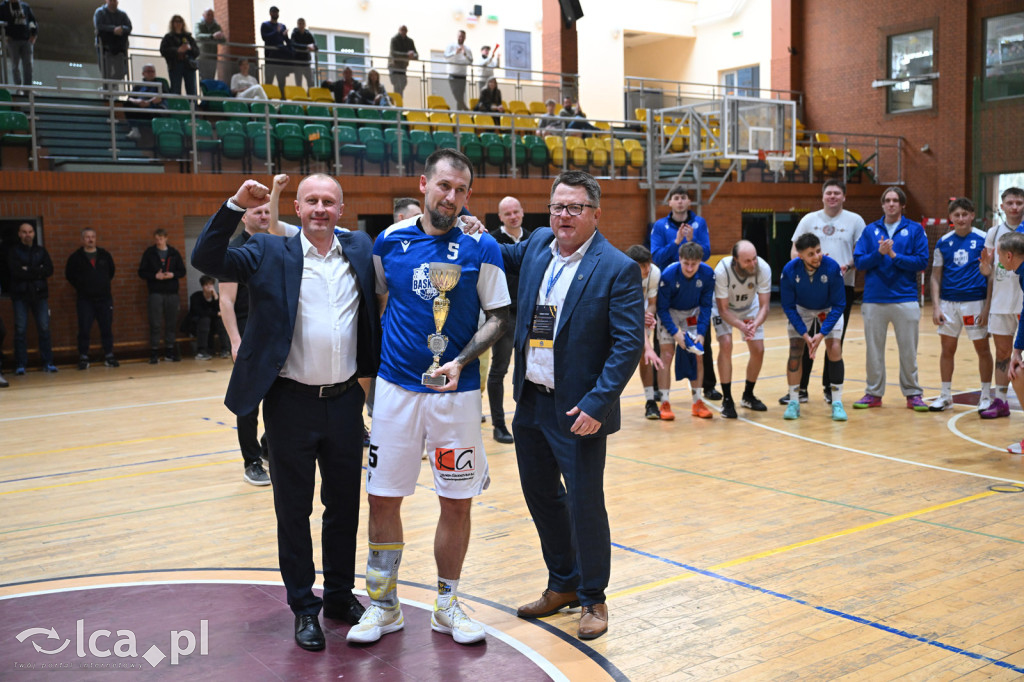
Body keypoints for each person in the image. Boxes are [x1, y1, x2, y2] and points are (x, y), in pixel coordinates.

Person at [192, 174, 380, 652]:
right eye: (312, 201)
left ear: (341, 209)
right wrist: (235, 205)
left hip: (343, 403)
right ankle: (303, 606)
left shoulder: (359, 248)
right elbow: (206, 259)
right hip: (289, 404)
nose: (320, 208)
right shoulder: (267, 251)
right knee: (292, 511)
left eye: (329, 202)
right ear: (296, 207)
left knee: (343, 509)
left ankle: (339, 596)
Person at [346, 149, 509, 646]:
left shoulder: (482, 247)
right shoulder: (389, 242)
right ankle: (385, 605)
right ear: (423, 184)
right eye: (444, 186)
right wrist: (371, 385)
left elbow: (500, 316)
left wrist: (460, 361)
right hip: (397, 392)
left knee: (455, 501)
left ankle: (447, 603)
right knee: (382, 497)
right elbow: (376, 308)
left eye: (461, 189)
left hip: (456, 398)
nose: (451, 197)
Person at [499, 171, 644, 641]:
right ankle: (561, 584)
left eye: (574, 208)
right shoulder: (539, 243)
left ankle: (593, 598)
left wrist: (597, 404)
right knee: (542, 496)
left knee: (584, 503)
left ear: (595, 214)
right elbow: (501, 252)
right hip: (532, 402)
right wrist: (461, 228)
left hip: (578, 411)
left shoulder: (615, 267)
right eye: (558, 206)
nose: (564, 215)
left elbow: (627, 345)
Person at [780, 179, 865, 406]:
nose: (833, 196)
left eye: (837, 193)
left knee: (833, 340)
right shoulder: (809, 219)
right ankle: (801, 389)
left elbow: (862, 253)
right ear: (822, 196)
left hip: (840, 285)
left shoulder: (855, 220)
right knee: (803, 338)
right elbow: (793, 251)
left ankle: (830, 389)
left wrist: (847, 265)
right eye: (829, 193)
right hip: (806, 287)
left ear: (844, 197)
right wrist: (806, 265)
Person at [852, 187, 930, 411]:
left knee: (908, 350)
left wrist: (894, 256)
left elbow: (922, 262)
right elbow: (860, 262)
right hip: (874, 299)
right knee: (874, 350)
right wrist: (879, 254)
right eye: (887, 200)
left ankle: (913, 393)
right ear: (883, 204)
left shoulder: (915, 230)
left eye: (895, 200)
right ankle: (874, 393)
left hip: (905, 298)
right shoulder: (870, 231)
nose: (891, 204)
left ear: (903, 204)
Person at [218, 204, 275, 487]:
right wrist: (235, 340)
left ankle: (267, 447)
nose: (264, 216)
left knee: (280, 399)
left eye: (267, 212)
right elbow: (226, 300)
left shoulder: (277, 245)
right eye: (257, 212)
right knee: (249, 403)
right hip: (248, 333)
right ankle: (251, 461)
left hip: (275, 332)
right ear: (244, 216)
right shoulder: (235, 250)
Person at [648, 186, 721, 401]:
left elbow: (704, 253)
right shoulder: (660, 226)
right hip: (668, 288)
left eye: (684, 198)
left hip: (694, 287)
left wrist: (692, 241)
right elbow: (657, 257)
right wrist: (677, 242)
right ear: (669, 202)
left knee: (702, 343)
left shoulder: (699, 223)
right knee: (663, 346)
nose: (680, 201)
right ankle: (657, 390)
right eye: (676, 198)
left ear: (689, 202)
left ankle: (707, 387)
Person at [927, 198, 992, 412]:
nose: (961, 218)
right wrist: (936, 306)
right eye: (957, 215)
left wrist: (986, 308)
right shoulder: (944, 242)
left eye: (965, 214)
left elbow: (991, 276)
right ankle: (945, 396)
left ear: (972, 215)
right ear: (951, 218)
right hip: (948, 304)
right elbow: (935, 277)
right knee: (947, 349)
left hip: (975, 302)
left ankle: (985, 395)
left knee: (982, 349)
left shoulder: (984, 239)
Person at [779, 233, 848, 421]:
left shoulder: (832, 267)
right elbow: (788, 306)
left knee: (834, 349)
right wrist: (804, 334)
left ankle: (837, 403)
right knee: (795, 351)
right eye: (811, 254)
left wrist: (822, 333)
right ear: (800, 255)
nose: (817, 256)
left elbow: (840, 304)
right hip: (802, 309)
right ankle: (794, 401)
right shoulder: (790, 270)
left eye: (818, 251)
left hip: (828, 308)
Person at [656, 242, 716, 419]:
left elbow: (706, 306)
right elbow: (662, 308)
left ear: (700, 262)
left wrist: (701, 333)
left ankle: (697, 401)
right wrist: (675, 333)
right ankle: (665, 403)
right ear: (679, 259)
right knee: (666, 355)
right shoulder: (667, 275)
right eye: (686, 263)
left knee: (698, 354)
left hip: (692, 312)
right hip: (670, 313)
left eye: (694, 264)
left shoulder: (707, 274)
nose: (690, 268)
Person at [487, 196, 530, 443]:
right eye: (508, 213)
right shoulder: (492, 240)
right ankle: (499, 425)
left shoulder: (534, 239)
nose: (513, 216)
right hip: (502, 313)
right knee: (499, 369)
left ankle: (527, 421)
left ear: (522, 212)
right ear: (501, 217)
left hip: (531, 315)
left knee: (531, 368)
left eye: (516, 211)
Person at [980, 186, 1024, 419]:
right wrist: (985, 266)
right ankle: (1001, 401)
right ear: (1002, 205)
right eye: (1011, 203)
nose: (1015, 207)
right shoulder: (994, 232)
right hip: (1000, 301)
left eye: (1019, 202)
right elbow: (986, 270)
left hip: (1021, 299)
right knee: (1003, 352)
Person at [714, 240, 771, 418]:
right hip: (724, 309)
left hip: (749, 307)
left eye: (754, 258)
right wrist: (741, 326)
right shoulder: (722, 271)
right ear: (735, 260)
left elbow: (764, 307)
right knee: (726, 344)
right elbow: (723, 310)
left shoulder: (763, 268)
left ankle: (748, 395)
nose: (753, 263)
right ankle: (727, 400)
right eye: (747, 261)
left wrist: (755, 324)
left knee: (758, 349)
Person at [65, 228, 118, 370]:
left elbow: (111, 272)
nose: (90, 239)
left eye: (93, 236)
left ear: (96, 238)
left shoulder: (104, 255)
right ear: (82, 239)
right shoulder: (76, 257)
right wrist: (83, 286)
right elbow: (70, 276)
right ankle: (83, 356)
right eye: (87, 237)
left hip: (104, 299)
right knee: (84, 329)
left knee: (106, 327)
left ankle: (109, 355)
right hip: (85, 300)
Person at [7, 222, 56, 374]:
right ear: (19, 234)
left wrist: (27, 269)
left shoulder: (41, 251)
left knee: (44, 328)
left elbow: (49, 270)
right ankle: (21, 364)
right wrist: (37, 270)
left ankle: (48, 362)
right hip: (20, 295)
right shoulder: (13, 252)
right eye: (24, 232)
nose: (28, 234)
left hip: (40, 295)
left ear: (34, 233)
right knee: (20, 330)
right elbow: (15, 272)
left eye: (30, 231)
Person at [626, 244, 668, 419]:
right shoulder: (622, 273)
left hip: (639, 313)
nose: (647, 269)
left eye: (648, 264)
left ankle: (650, 401)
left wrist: (648, 316)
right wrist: (641, 316)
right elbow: (624, 307)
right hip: (618, 315)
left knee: (645, 355)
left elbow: (651, 302)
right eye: (642, 265)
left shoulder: (654, 272)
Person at [138, 228, 186, 364]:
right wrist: (155, 276)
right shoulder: (149, 253)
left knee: (171, 323)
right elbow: (141, 272)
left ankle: (169, 351)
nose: (159, 241)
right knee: (155, 323)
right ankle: (154, 352)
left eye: (161, 238)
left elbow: (182, 271)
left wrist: (173, 275)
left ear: (166, 238)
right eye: (156, 239)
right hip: (155, 292)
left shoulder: (174, 253)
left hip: (172, 292)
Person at [184, 275, 228, 360]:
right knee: (205, 320)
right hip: (197, 324)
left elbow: (221, 311)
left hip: (212, 325)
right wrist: (215, 314)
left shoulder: (217, 296)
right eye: (206, 285)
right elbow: (200, 312)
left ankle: (225, 349)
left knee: (220, 321)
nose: (209, 287)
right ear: (202, 286)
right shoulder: (196, 296)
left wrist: (215, 297)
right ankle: (201, 351)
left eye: (211, 284)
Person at [0, 0, 38, 93]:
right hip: (12, 40)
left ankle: (28, 89)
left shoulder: (24, 6)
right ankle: (19, 88)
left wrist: (34, 35)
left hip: (26, 40)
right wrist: (4, 36)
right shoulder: (3, 7)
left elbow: (32, 21)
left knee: (28, 65)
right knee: (15, 65)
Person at [93, 0, 131, 91]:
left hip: (120, 48)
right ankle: (107, 92)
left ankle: (109, 87)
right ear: (107, 1)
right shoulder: (100, 12)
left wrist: (121, 29)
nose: (113, 3)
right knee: (106, 72)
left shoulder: (122, 14)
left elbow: (129, 27)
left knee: (122, 72)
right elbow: (99, 26)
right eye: (111, 1)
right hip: (105, 48)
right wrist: (113, 29)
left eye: (115, 1)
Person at [124, 64, 167, 140]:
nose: (151, 73)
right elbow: (130, 98)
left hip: (155, 110)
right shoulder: (138, 86)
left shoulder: (160, 84)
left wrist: (148, 102)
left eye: (152, 71)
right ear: (143, 73)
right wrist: (138, 101)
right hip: (141, 109)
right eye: (148, 71)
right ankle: (135, 130)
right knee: (127, 104)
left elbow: (160, 97)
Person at [160, 15, 199, 96]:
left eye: (180, 21)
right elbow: (163, 50)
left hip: (189, 65)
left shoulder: (189, 37)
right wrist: (177, 50)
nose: (178, 24)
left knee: (192, 90)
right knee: (175, 89)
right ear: (172, 23)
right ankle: (176, 107)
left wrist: (189, 49)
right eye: (176, 21)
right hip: (175, 65)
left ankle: (192, 107)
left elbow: (197, 51)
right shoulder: (168, 37)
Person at [260, 5, 291, 95]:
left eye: (277, 12)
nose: (276, 14)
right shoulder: (265, 25)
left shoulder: (282, 26)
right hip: (270, 58)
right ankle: (267, 104)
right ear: (270, 13)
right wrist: (276, 32)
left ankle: (283, 104)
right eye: (274, 12)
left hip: (280, 59)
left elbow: (287, 41)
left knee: (282, 82)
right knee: (269, 81)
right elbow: (265, 37)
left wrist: (285, 35)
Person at [194, 8, 225, 83]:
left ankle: (209, 93)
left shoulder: (216, 26)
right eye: (208, 15)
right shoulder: (198, 24)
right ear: (203, 15)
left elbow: (224, 41)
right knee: (203, 78)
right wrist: (212, 36)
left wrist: (220, 37)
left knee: (211, 78)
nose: (210, 17)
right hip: (202, 56)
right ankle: (204, 94)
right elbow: (198, 36)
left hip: (213, 57)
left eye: (212, 15)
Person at [444, 30, 473, 111]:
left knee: (460, 96)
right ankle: (466, 109)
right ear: (457, 36)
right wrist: (455, 53)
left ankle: (459, 114)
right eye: (460, 36)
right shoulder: (451, 46)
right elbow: (446, 57)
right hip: (453, 74)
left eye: (463, 37)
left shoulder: (467, 49)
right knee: (457, 96)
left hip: (462, 75)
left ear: (465, 38)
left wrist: (465, 54)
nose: (461, 38)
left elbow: (470, 61)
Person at [388, 25, 417, 99]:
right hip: (394, 66)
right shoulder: (394, 39)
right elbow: (394, 53)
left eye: (405, 30)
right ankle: (397, 103)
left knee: (402, 84)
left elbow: (416, 55)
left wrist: (412, 55)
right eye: (402, 30)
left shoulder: (410, 41)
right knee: (397, 85)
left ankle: (398, 102)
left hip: (403, 67)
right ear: (399, 30)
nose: (403, 32)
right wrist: (407, 55)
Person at [289, 18, 316, 90]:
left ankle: (310, 96)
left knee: (310, 81)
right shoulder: (294, 34)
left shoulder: (308, 34)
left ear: (305, 25)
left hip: (306, 62)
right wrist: (306, 46)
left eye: (302, 24)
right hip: (297, 62)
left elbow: (315, 46)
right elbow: (293, 44)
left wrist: (312, 47)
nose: (301, 25)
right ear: (297, 25)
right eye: (299, 24)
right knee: (298, 82)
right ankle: (300, 97)